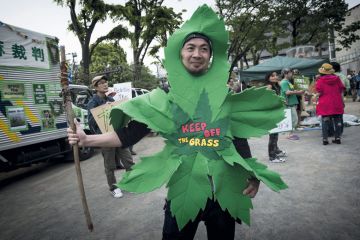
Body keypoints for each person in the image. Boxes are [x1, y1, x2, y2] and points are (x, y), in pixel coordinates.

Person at [69, 34, 260, 240]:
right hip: (183, 190)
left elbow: (239, 138)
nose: (197, 53)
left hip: (224, 192)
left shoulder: (222, 96)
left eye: (204, 49)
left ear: (209, 56)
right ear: (181, 54)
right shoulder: (163, 98)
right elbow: (128, 135)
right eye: (190, 48)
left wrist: (253, 174)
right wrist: (87, 140)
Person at [87, 75, 134, 198]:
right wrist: (104, 109)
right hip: (105, 138)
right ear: (96, 87)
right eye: (101, 83)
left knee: (128, 161)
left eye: (106, 82)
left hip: (118, 135)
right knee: (110, 165)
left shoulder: (112, 100)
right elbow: (91, 123)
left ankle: (131, 183)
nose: (105, 84)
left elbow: (120, 117)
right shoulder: (92, 103)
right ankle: (113, 187)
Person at [315, 63, 345, 145]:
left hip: (325, 104)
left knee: (325, 121)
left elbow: (319, 92)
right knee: (337, 120)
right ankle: (337, 138)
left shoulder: (320, 80)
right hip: (336, 102)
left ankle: (325, 140)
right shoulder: (337, 79)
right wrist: (342, 101)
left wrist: (316, 97)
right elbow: (341, 90)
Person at [264, 72, 287, 163]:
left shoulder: (276, 85)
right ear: (268, 77)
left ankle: (276, 151)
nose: (275, 77)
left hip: (275, 111)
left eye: (276, 75)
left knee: (275, 134)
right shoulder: (269, 86)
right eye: (272, 76)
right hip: (271, 112)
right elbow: (267, 101)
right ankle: (272, 157)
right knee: (272, 135)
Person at [280, 68, 304, 140]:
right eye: (290, 73)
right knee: (294, 119)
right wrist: (298, 92)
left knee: (293, 119)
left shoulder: (287, 82)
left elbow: (291, 91)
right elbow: (287, 92)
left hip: (291, 103)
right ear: (285, 74)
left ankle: (289, 134)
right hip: (288, 104)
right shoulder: (284, 82)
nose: (292, 74)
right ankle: (288, 134)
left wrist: (297, 91)